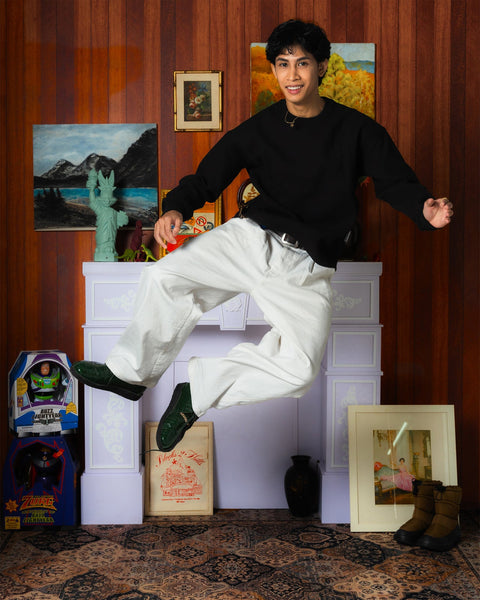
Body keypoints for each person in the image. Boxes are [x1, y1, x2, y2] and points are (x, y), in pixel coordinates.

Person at [71, 19, 453, 453]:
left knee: (300, 369)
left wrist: (425, 209)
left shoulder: (359, 131)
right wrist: (175, 207)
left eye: (302, 63)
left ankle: (196, 393)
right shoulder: (260, 129)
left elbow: (395, 182)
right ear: (273, 70)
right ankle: (129, 374)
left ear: (321, 67)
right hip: (251, 240)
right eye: (283, 64)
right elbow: (209, 175)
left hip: (306, 264)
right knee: (165, 277)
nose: (292, 74)